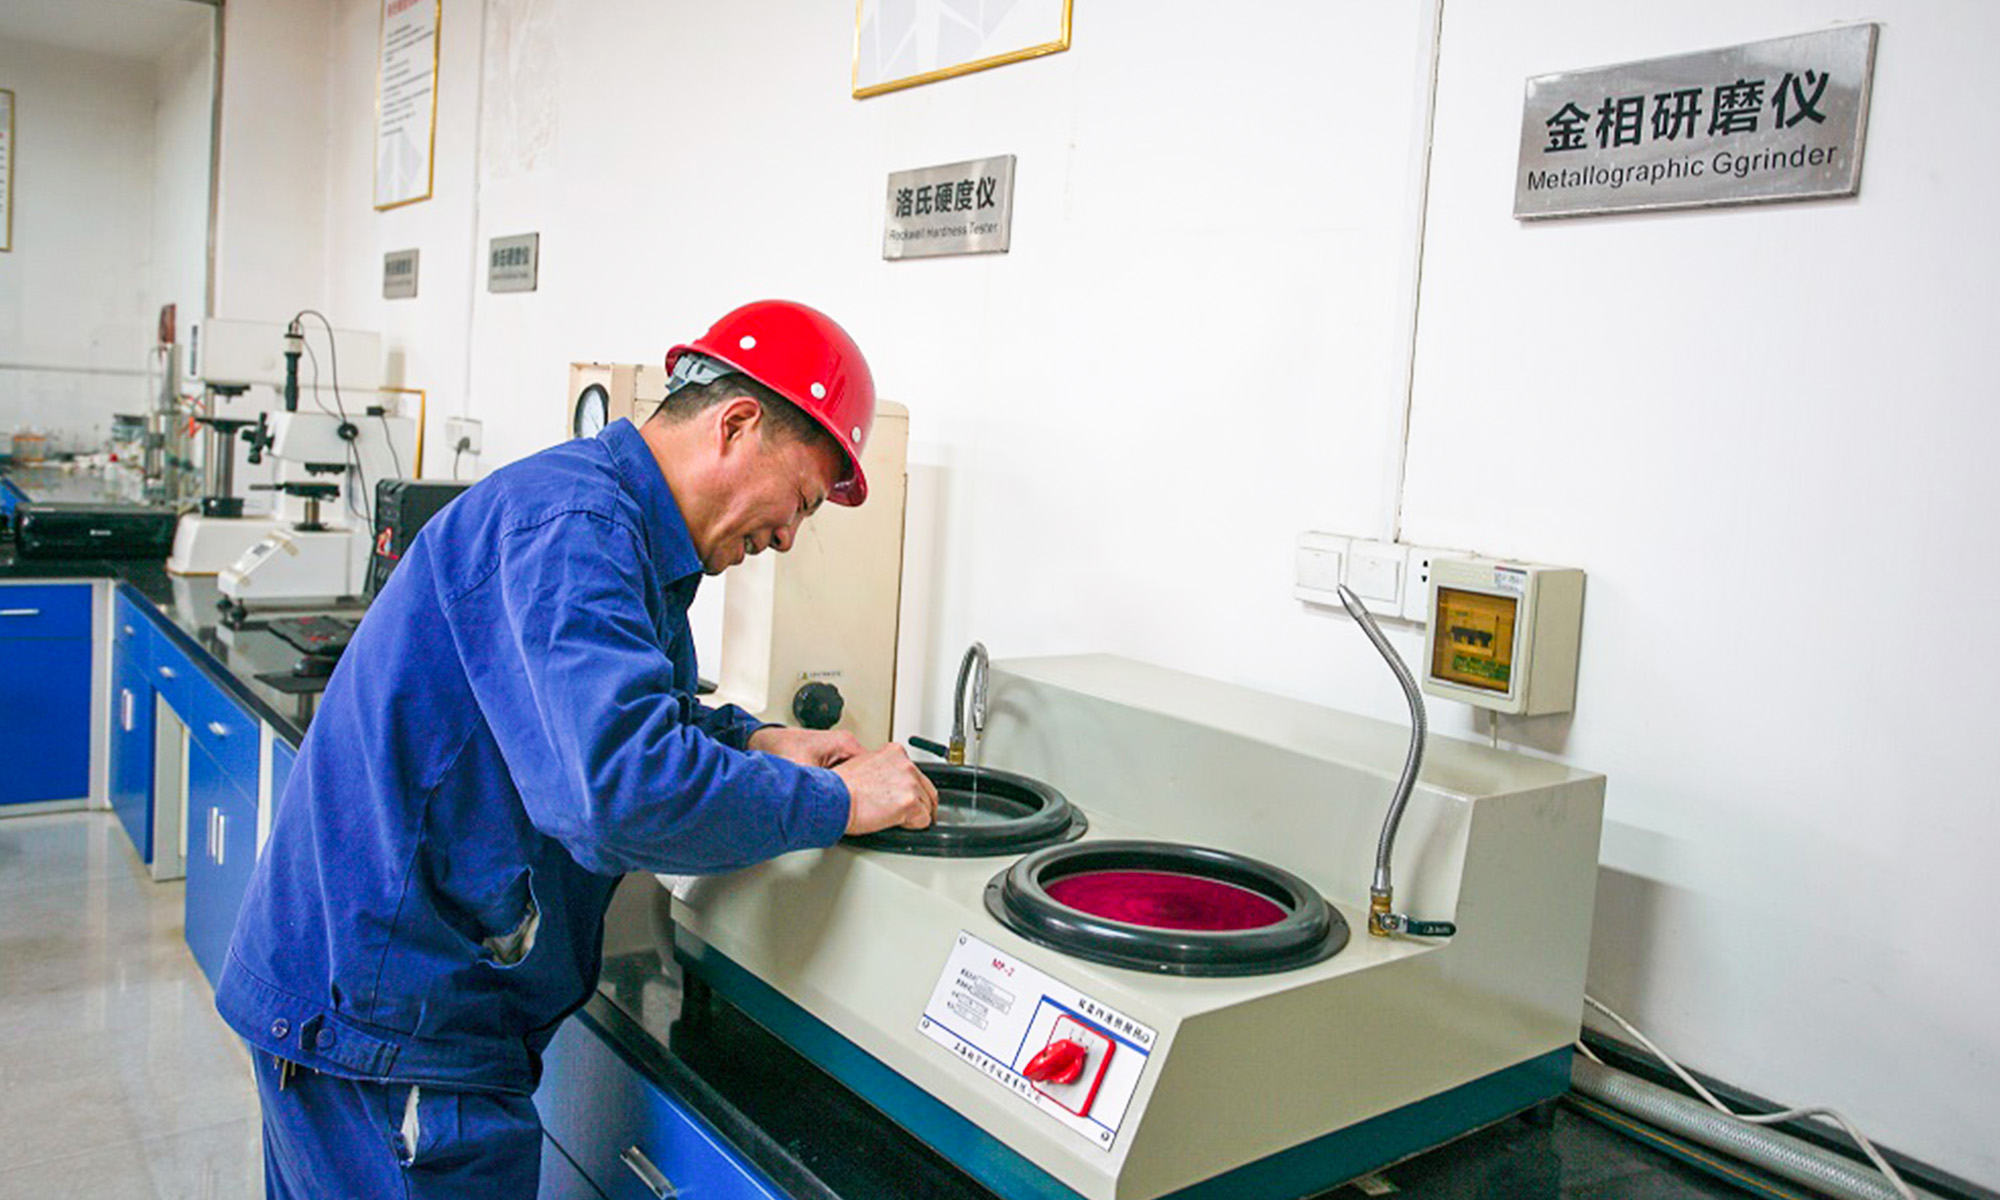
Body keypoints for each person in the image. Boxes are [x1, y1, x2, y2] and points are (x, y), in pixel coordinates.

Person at [215, 300, 939, 1197]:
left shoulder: (607, 522)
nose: (788, 537)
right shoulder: (574, 530)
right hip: (390, 1028)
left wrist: (757, 739)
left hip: (393, 999)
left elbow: (614, 716)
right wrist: (840, 802)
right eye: (799, 500)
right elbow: (618, 793)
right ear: (737, 424)